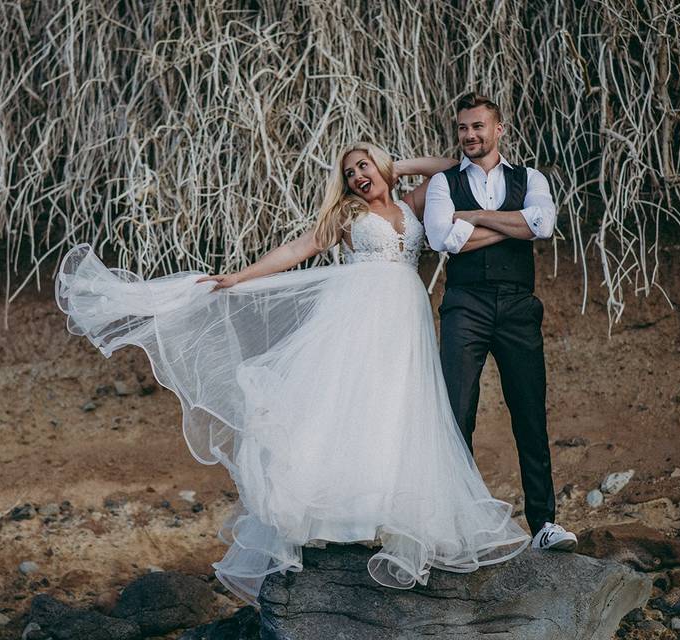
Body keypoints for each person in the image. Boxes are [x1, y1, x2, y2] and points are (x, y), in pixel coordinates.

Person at [54, 142, 530, 605]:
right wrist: (239, 277)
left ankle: (388, 514)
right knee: (351, 407)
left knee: (398, 408)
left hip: (407, 321)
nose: (357, 178)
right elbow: (299, 249)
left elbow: (452, 167)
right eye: (349, 173)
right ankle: (343, 519)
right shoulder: (347, 216)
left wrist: (390, 165)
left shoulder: (412, 205)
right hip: (356, 317)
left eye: (363, 167)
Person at [422, 92, 577, 551]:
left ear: (499, 129)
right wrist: (513, 224)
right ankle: (456, 525)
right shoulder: (441, 184)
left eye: (478, 127)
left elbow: (543, 225)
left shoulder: (529, 177)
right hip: (464, 305)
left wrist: (471, 218)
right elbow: (441, 238)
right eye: (463, 128)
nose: (470, 135)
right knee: (457, 412)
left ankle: (544, 524)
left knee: (529, 412)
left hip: (517, 306)